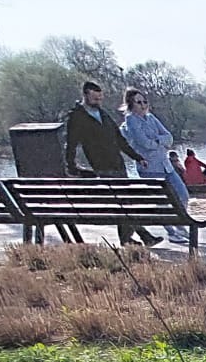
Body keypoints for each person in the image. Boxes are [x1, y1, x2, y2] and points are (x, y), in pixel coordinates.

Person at [64, 80, 156, 246]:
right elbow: (71, 143)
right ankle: (141, 236)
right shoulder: (77, 117)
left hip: (117, 163)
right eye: (95, 99)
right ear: (85, 95)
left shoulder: (103, 114)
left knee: (124, 202)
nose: (98, 102)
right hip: (101, 165)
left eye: (100, 98)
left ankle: (131, 238)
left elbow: (119, 140)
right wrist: (71, 166)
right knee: (122, 202)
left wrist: (137, 157)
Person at [120, 88, 189, 246]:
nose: (143, 105)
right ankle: (172, 232)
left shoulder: (151, 118)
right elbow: (144, 143)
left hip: (166, 166)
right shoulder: (131, 120)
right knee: (162, 201)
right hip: (150, 168)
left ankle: (179, 223)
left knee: (183, 194)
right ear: (131, 104)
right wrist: (159, 142)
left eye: (145, 101)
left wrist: (157, 141)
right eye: (139, 102)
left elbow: (169, 137)